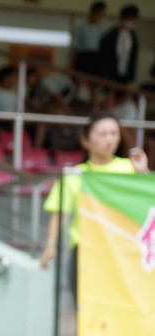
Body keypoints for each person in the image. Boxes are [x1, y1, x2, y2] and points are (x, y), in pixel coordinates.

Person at [39, 111, 150, 297]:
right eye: (103, 134)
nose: (109, 139)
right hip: (86, 251)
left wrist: (143, 172)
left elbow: (147, 204)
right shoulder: (74, 175)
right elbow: (60, 214)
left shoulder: (130, 168)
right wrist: (51, 245)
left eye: (114, 133)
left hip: (124, 251)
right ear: (85, 140)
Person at [97, 4, 141, 85]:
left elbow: (133, 57)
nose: (131, 22)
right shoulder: (111, 35)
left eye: (133, 20)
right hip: (110, 74)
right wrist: (104, 74)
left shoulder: (133, 36)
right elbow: (103, 56)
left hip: (125, 74)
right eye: (129, 19)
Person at [77, 1, 112, 76]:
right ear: (94, 12)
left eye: (102, 14)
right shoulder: (82, 27)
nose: (100, 16)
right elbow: (75, 46)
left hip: (96, 58)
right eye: (99, 13)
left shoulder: (101, 29)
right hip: (83, 57)